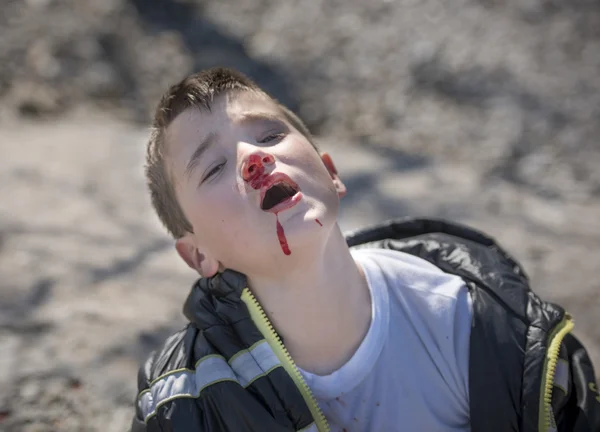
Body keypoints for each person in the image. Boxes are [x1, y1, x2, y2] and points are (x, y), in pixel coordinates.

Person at [130, 67, 600, 432]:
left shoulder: (479, 321)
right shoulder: (186, 404)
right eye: (213, 168)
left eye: (270, 135)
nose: (255, 159)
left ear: (330, 174)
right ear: (197, 257)